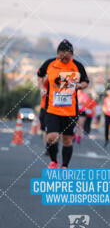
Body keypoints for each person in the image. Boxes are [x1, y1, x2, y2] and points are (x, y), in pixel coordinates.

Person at [37, 39, 89, 168]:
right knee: (51, 137)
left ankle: (65, 165)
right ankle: (54, 160)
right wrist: (41, 87)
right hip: (52, 108)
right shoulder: (49, 63)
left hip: (70, 110)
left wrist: (78, 86)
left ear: (72, 54)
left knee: (67, 140)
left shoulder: (78, 66)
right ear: (58, 53)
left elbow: (86, 82)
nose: (64, 59)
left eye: (67, 57)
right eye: (61, 56)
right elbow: (39, 74)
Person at [36, 77, 49, 156]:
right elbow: (40, 83)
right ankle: (47, 147)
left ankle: (53, 144)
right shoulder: (47, 72)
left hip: (57, 107)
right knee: (44, 129)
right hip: (45, 106)